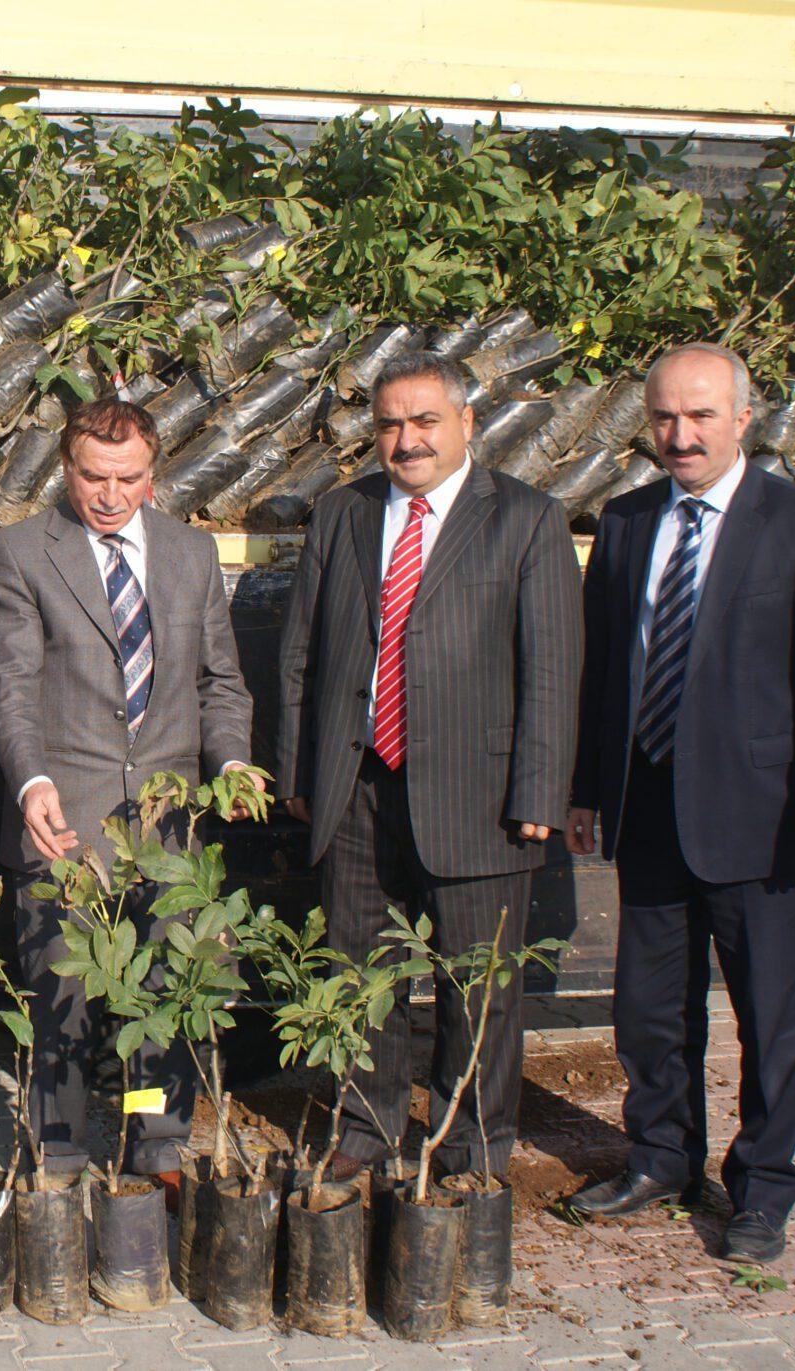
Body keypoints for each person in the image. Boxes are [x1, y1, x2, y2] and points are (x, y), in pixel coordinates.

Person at [564, 343, 795, 1264]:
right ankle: (662, 1156)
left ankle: (763, 1190)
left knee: (770, 1017)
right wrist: (585, 789)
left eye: (700, 416)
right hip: (649, 805)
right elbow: (601, 672)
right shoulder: (622, 522)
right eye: (664, 417)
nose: (680, 435)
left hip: (766, 820)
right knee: (650, 1010)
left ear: (744, 418)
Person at [276, 351, 582, 1182]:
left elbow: (551, 669)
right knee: (357, 971)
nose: (406, 441)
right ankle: (366, 1128)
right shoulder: (343, 514)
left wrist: (539, 792)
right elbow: (302, 653)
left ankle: (469, 1143)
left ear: (467, 423)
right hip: (358, 785)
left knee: (476, 985)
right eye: (388, 424)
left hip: (479, 797)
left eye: (424, 421)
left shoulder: (526, 518)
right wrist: (300, 772)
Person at [0, 395, 259, 1187]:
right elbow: (10, 683)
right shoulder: (25, 551)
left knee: (162, 997)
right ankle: (62, 1153)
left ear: (153, 473)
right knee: (63, 997)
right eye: (92, 476)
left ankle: (154, 1143)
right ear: (66, 469)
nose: (109, 494)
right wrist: (31, 779)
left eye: (127, 477)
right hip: (64, 819)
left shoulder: (191, 554)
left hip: (168, 831)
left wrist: (232, 761)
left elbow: (220, 682)